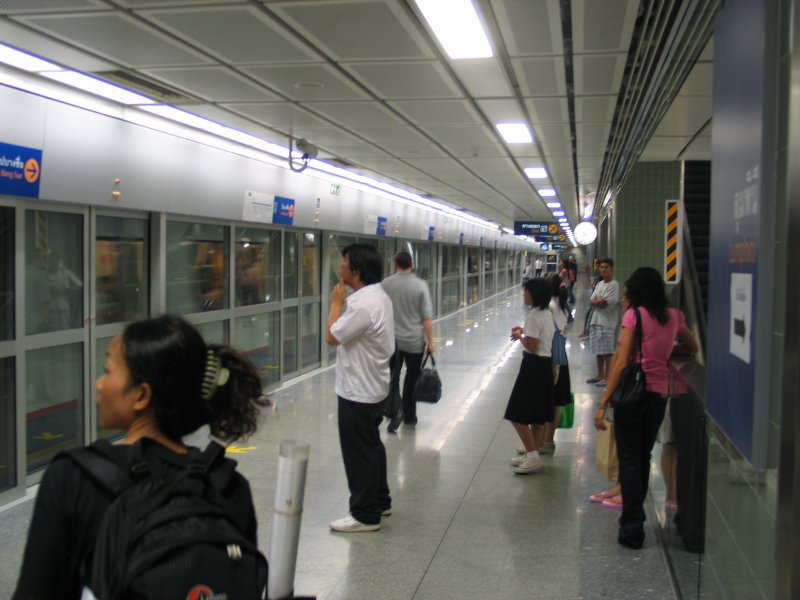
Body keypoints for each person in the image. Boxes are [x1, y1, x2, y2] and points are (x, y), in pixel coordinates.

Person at [13, 314, 268, 600]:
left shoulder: (73, 481)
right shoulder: (229, 487)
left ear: (141, 396)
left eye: (107, 371)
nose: (99, 384)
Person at [593, 267, 698, 549]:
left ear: (636, 289)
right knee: (642, 456)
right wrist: (665, 351)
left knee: (629, 459)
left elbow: (621, 361)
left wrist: (603, 402)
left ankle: (632, 528)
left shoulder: (634, 316)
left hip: (632, 396)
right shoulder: (674, 316)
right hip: (658, 395)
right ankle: (634, 520)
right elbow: (693, 347)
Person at [326, 243, 395, 532]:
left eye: (344, 263)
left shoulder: (362, 305)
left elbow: (332, 337)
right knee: (371, 445)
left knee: (358, 453)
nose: (340, 268)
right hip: (374, 385)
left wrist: (335, 303)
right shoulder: (380, 296)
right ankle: (380, 500)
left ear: (356, 271)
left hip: (358, 391)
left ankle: (365, 515)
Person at [505, 278, 555, 474]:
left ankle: (533, 456)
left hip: (533, 367)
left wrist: (520, 336)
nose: (524, 294)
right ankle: (531, 453)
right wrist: (524, 331)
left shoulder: (534, 316)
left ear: (534, 294)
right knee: (537, 415)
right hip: (545, 365)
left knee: (516, 414)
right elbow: (540, 336)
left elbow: (533, 346)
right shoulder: (546, 313)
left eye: (526, 291)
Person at [381, 251, 435, 432]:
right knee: (411, 379)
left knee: (392, 377)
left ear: (396, 265)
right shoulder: (420, 285)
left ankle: (394, 410)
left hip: (392, 342)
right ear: (412, 265)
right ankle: (409, 416)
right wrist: (431, 342)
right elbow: (426, 318)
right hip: (414, 342)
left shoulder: (386, 284)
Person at [540, 274, 571, 455]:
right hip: (561, 357)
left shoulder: (550, 306)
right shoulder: (563, 305)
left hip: (551, 358)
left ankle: (542, 440)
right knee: (556, 401)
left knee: (547, 400)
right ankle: (548, 440)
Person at [586, 258, 619, 387]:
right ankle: (600, 375)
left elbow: (604, 303)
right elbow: (591, 301)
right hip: (596, 321)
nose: (603, 270)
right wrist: (597, 301)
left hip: (607, 322)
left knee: (607, 352)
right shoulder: (600, 284)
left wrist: (597, 301)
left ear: (612, 269)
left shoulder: (614, 285)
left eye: (606, 267)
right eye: (601, 267)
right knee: (598, 351)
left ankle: (607, 377)